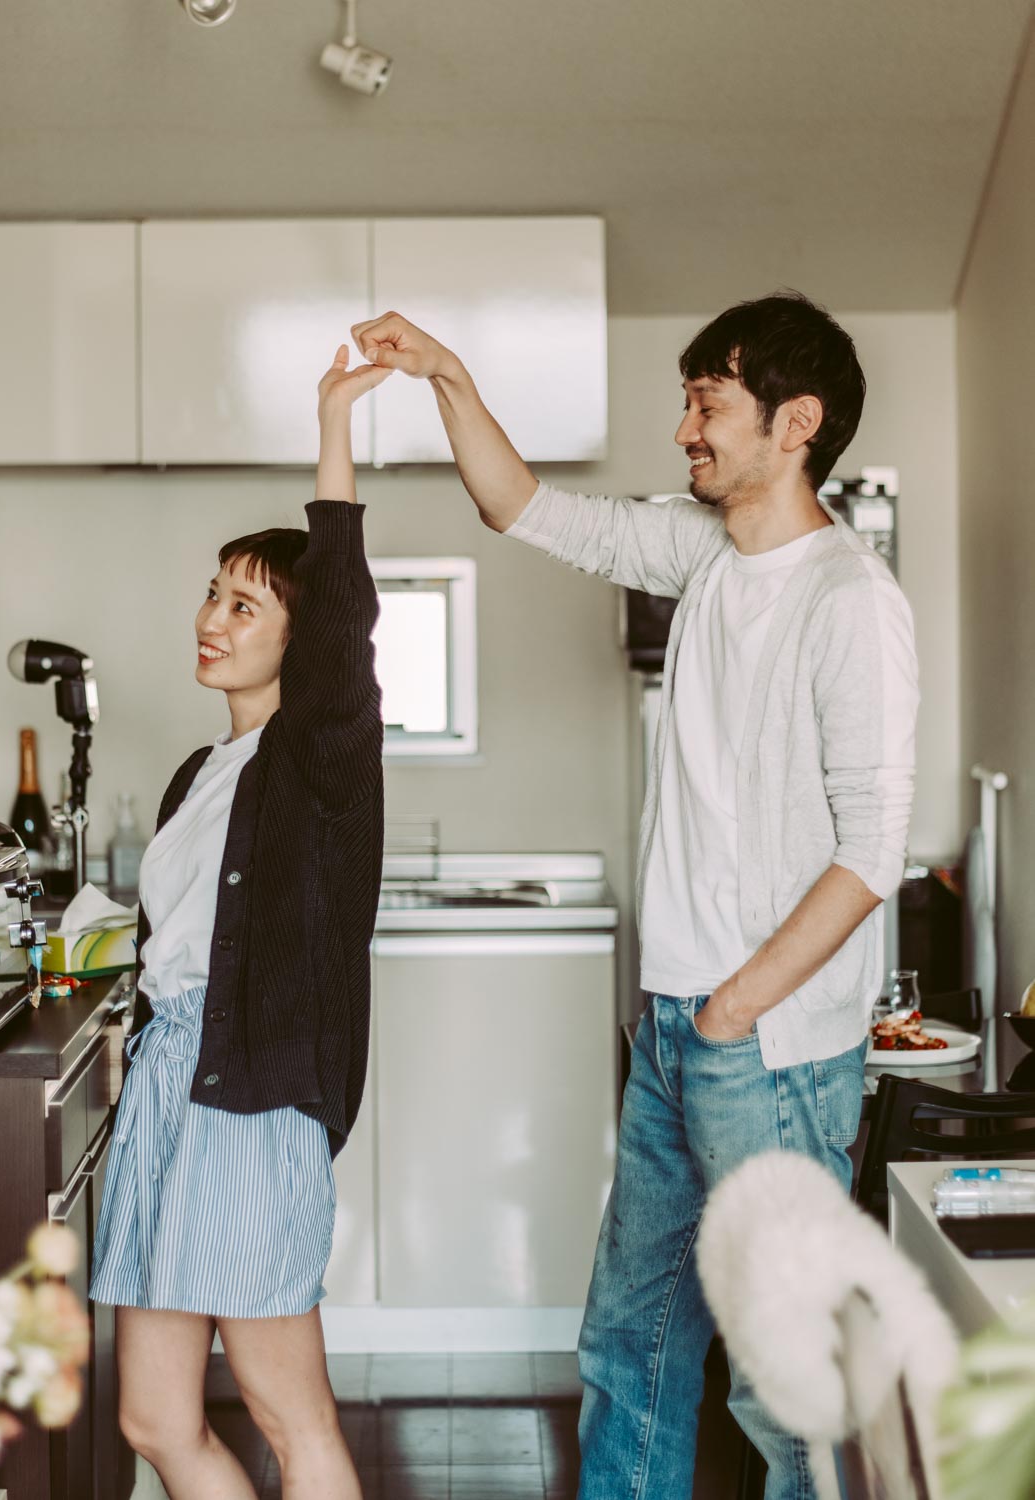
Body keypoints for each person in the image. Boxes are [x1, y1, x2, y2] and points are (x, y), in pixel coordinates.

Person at [348, 293, 918, 1500]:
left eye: (708, 403)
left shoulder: (849, 602)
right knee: (630, 1348)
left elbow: (871, 854)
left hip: (763, 1047)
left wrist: (730, 1010)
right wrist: (447, 370)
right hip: (675, 1029)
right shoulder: (705, 555)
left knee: (782, 1389)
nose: (684, 430)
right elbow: (522, 507)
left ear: (797, 422)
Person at [89, 345, 390, 1500]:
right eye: (215, 592)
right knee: (154, 1417)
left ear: (297, 639)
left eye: (245, 602)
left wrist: (330, 425)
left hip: (257, 1101)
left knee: (285, 1411)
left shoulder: (319, 755)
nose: (213, 617)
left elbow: (346, 616)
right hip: (173, 1084)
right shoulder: (200, 770)